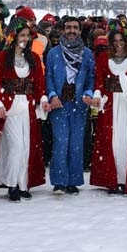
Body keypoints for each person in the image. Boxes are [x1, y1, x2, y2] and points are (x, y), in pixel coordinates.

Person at [0, 16, 47, 201]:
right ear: (13, 36)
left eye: (27, 35)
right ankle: (11, 184)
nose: (25, 38)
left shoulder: (33, 58)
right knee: (16, 146)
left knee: (27, 147)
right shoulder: (1, 58)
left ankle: (23, 183)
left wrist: (43, 100)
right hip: (10, 108)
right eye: (22, 35)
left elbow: (40, 84)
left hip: (28, 107)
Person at [89, 20, 127, 196]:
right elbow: (99, 81)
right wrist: (97, 95)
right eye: (115, 41)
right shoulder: (103, 57)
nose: (118, 44)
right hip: (111, 103)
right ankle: (113, 180)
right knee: (111, 142)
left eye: (121, 40)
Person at [43, 17, 96, 195]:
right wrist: (52, 95)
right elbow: (48, 77)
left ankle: (73, 180)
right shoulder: (53, 53)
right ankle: (59, 181)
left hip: (79, 104)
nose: (71, 30)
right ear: (62, 30)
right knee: (61, 141)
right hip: (59, 103)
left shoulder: (87, 54)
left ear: (80, 31)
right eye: (68, 27)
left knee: (76, 144)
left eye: (75, 28)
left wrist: (88, 93)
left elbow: (91, 78)